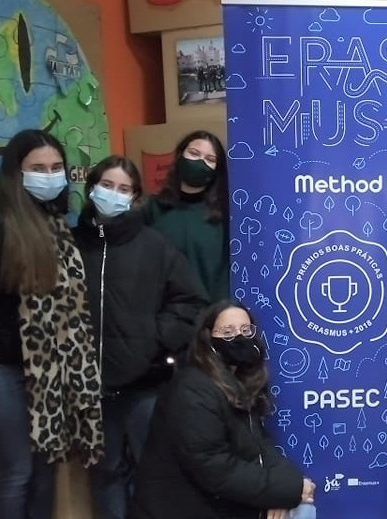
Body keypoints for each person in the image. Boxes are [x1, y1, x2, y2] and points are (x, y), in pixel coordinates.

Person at [0, 129, 104, 519]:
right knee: (17, 472)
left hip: (47, 374)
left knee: (46, 469)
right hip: (1, 371)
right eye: (38, 168)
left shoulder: (58, 225)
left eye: (56, 167)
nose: (49, 175)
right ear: (16, 173)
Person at [72, 155, 207, 519]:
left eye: (124, 189)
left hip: (144, 384)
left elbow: (191, 301)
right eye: (107, 186)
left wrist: (155, 339)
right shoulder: (71, 245)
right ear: (91, 188)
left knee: (154, 471)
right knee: (106, 472)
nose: (113, 194)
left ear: (134, 197)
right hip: (89, 388)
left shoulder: (154, 245)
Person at [132, 301, 317, 519]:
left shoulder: (238, 382)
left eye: (246, 330)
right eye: (227, 332)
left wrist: (291, 488)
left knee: (302, 507)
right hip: (181, 507)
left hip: (218, 501)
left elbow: (260, 448)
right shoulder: (192, 388)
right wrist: (287, 491)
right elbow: (212, 466)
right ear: (208, 339)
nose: (239, 337)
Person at [144, 131, 230, 302]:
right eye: (194, 153)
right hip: (162, 311)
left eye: (210, 159)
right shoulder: (151, 208)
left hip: (209, 311)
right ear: (179, 156)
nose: (200, 162)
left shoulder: (225, 216)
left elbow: (224, 275)